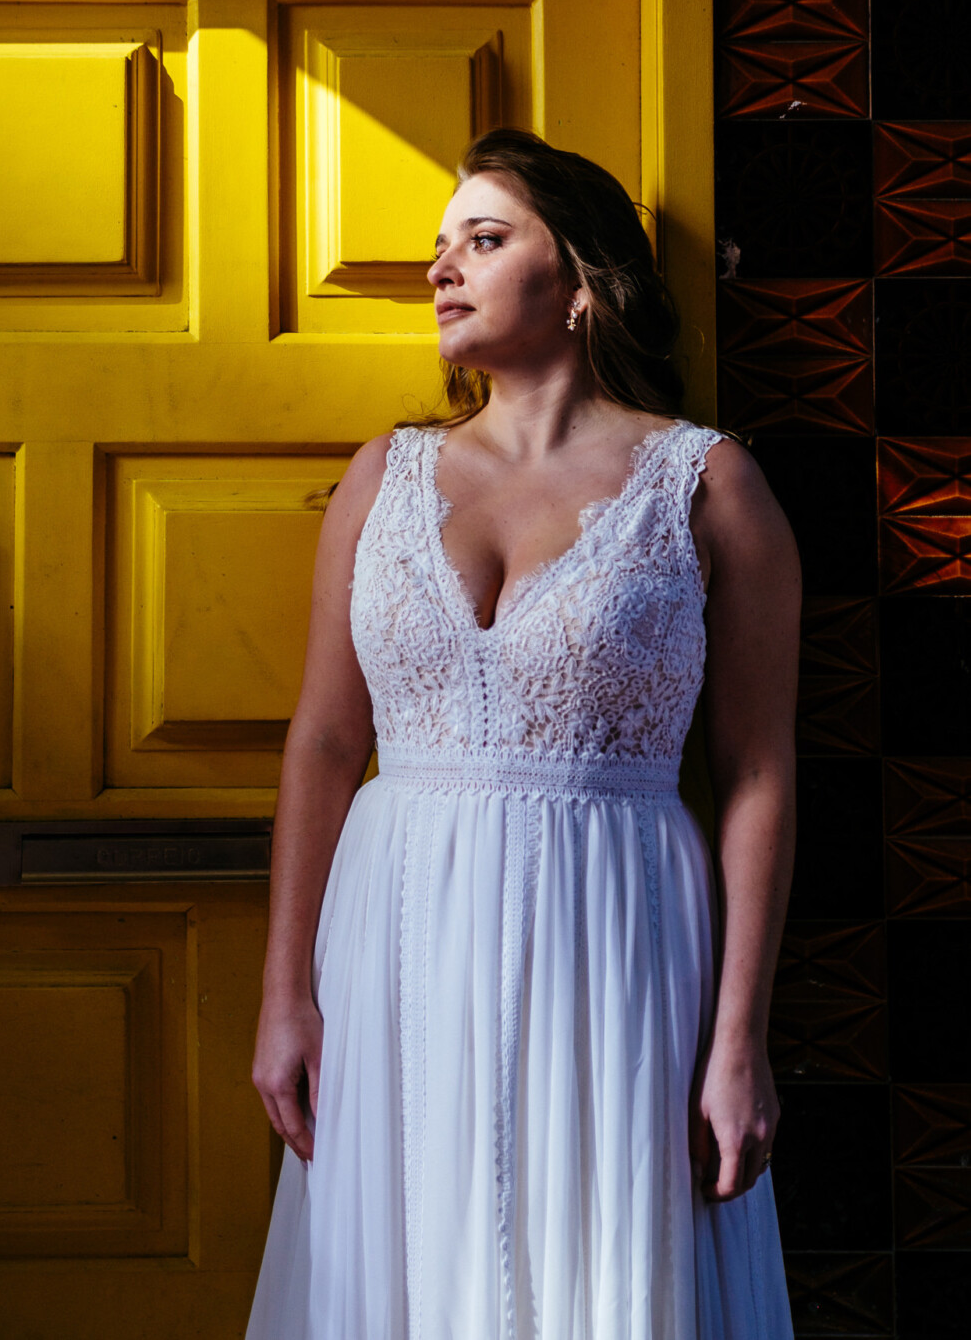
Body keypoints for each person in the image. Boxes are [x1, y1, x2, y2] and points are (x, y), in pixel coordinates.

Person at [246, 127, 799, 1340]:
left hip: (615, 944)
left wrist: (739, 1042)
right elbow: (326, 744)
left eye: (483, 241)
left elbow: (755, 772)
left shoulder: (707, 486)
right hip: (396, 947)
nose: (441, 269)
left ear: (585, 278)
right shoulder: (381, 479)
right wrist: (286, 993)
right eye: (437, 248)